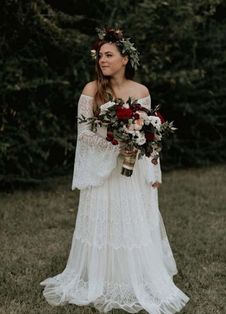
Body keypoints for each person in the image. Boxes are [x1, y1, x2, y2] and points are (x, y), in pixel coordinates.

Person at [40, 27, 190, 314]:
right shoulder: (91, 90)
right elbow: (84, 133)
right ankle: (102, 276)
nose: (102, 61)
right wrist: (115, 145)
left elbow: (151, 135)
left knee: (131, 219)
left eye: (109, 55)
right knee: (104, 220)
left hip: (133, 171)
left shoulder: (141, 91)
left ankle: (132, 275)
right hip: (103, 168)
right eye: (99, 56)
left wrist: (153, 171)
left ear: (125, 59)